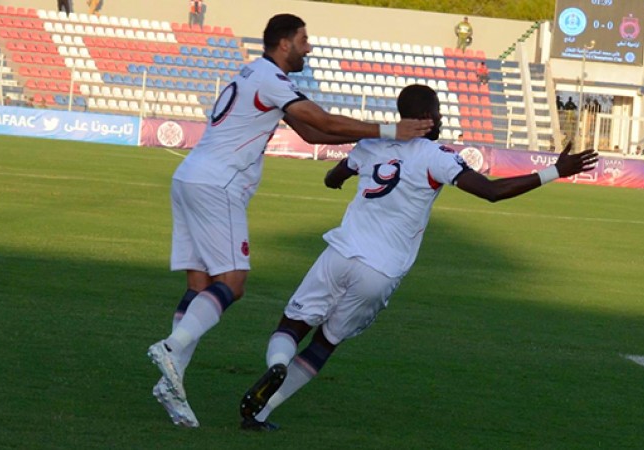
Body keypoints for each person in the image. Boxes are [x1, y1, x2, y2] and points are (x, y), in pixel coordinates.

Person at [238, 84, 599, 431]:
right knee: (326, 342)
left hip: (341, 252)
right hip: (381, 270)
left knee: (292, 324)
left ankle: (277, 363)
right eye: (438, 112)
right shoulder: (436, 156)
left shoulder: (373, 143)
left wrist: (339, 178)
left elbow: (335, 176)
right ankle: (263, 409)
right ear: (427, 116)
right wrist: (556, 170)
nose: (441, 118)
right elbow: (491, 192)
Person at [146, 13, 432, 429]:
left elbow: (314, 136)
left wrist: (378, 137)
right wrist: (391, 129)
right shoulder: (270, 78)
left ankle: (172, 384)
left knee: (199, 286)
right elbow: (322, 121)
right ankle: (172, 348)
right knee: (233, 282)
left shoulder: (251, 75)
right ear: (284, 43)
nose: (308, 47)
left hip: (190, 177)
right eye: (303, 39)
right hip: (219, 184)